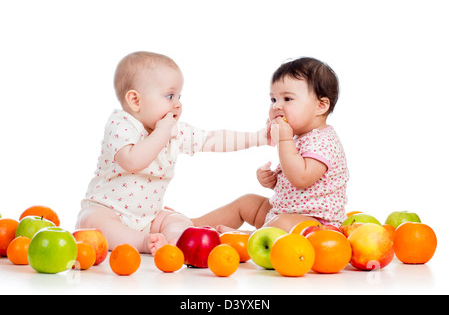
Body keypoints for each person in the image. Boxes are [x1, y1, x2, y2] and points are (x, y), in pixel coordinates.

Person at [76, 51, 269, 254]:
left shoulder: (173, 131)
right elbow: (133, 161)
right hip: (108, 211)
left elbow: (212, 139)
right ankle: (142, 242)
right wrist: (162, 132)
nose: (177, 104)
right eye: (169, 96)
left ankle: (177, 241)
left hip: (149, 218)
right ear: (135, 100)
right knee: (93, 221)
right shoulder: (121, 125)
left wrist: (258, 138)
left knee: (176, 219)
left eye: (179, 96)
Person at [193, 57, 349, 233]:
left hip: (315, 226)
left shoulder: (324, 142)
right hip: (281, 212)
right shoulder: (298, 137)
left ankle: (245, 238)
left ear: (321, 106)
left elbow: (301, 179)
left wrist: (284, 140)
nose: (276, 106)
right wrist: (274, 181)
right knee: (247, 202)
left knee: (282, 224)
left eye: (287, 99)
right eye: (274, 99)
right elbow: (294, 182)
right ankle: (193, 224)